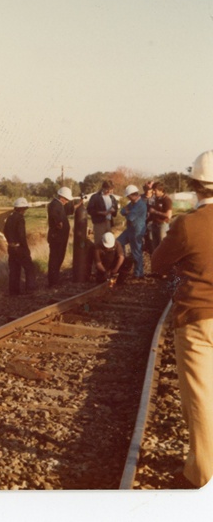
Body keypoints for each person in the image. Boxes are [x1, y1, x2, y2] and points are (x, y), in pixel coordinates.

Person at [151, 150, 213, 489]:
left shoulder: (188, 224)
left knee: (202, 398)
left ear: (195, 185)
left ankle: (202, 476)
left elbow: (158, 264)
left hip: (199, 318)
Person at [3, 197, 36, 295]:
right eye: (25, 208)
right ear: (22, 208)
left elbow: (5, 231)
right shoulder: (20, 219)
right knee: (29, 268)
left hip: (11, 247)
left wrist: (10, 242)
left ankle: (14, 291)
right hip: (20, 248)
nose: (25, 210)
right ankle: (30, 289)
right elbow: (21, 235)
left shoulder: (10, 217)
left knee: (14, 270)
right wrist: (25, 248)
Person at [116, 184, 147, 279]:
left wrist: (127, 212)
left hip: (137, 231)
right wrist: (127, 212)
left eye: (128, 196)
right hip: (130, 229)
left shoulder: (140, 205)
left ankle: (138, 274)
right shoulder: (132, 204)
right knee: (118, 242)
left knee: (136, 251)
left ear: (133, 195)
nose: (128, 198)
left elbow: (130, 217)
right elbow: (122, 211)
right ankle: (123, 261)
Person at [47, 187, 74, 287]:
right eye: (66, 199)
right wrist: (59, 223)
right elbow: (55, 217)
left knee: (58, 258)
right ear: (62, 197)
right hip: (57, 237)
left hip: (60, 237)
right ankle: (53, 282)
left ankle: (55, 280)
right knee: (55, 259)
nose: (67, 202)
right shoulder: (55, 205)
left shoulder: (58, 204)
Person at [86, 180, 118, 244]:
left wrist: (114, 210)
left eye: (111, 189)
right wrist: (101, 213)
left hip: (109, 222)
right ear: (103, 188)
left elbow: (115, 210)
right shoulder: (95, 197)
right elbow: (89, 210)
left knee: (109, 242)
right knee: (99, 241)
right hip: (99, 223)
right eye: (107, 189)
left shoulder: (112, 197)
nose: (109, 191)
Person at [148, 181, 172, 251]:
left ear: (161, 190)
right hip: (155, 225)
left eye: (155, 191)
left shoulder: (167, 200)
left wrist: (155, 212)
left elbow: (168, 215)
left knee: (162, 246)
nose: (154, 192)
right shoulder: (156, 199)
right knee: (155, 247)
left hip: (162, 225)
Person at [142, 182, 156, 254]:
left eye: (149, 189)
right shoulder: (141, 198)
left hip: (152, 220)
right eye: (146, 189)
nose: (148, 191)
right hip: (143, 220)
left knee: (151, 236)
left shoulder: (155, 198)